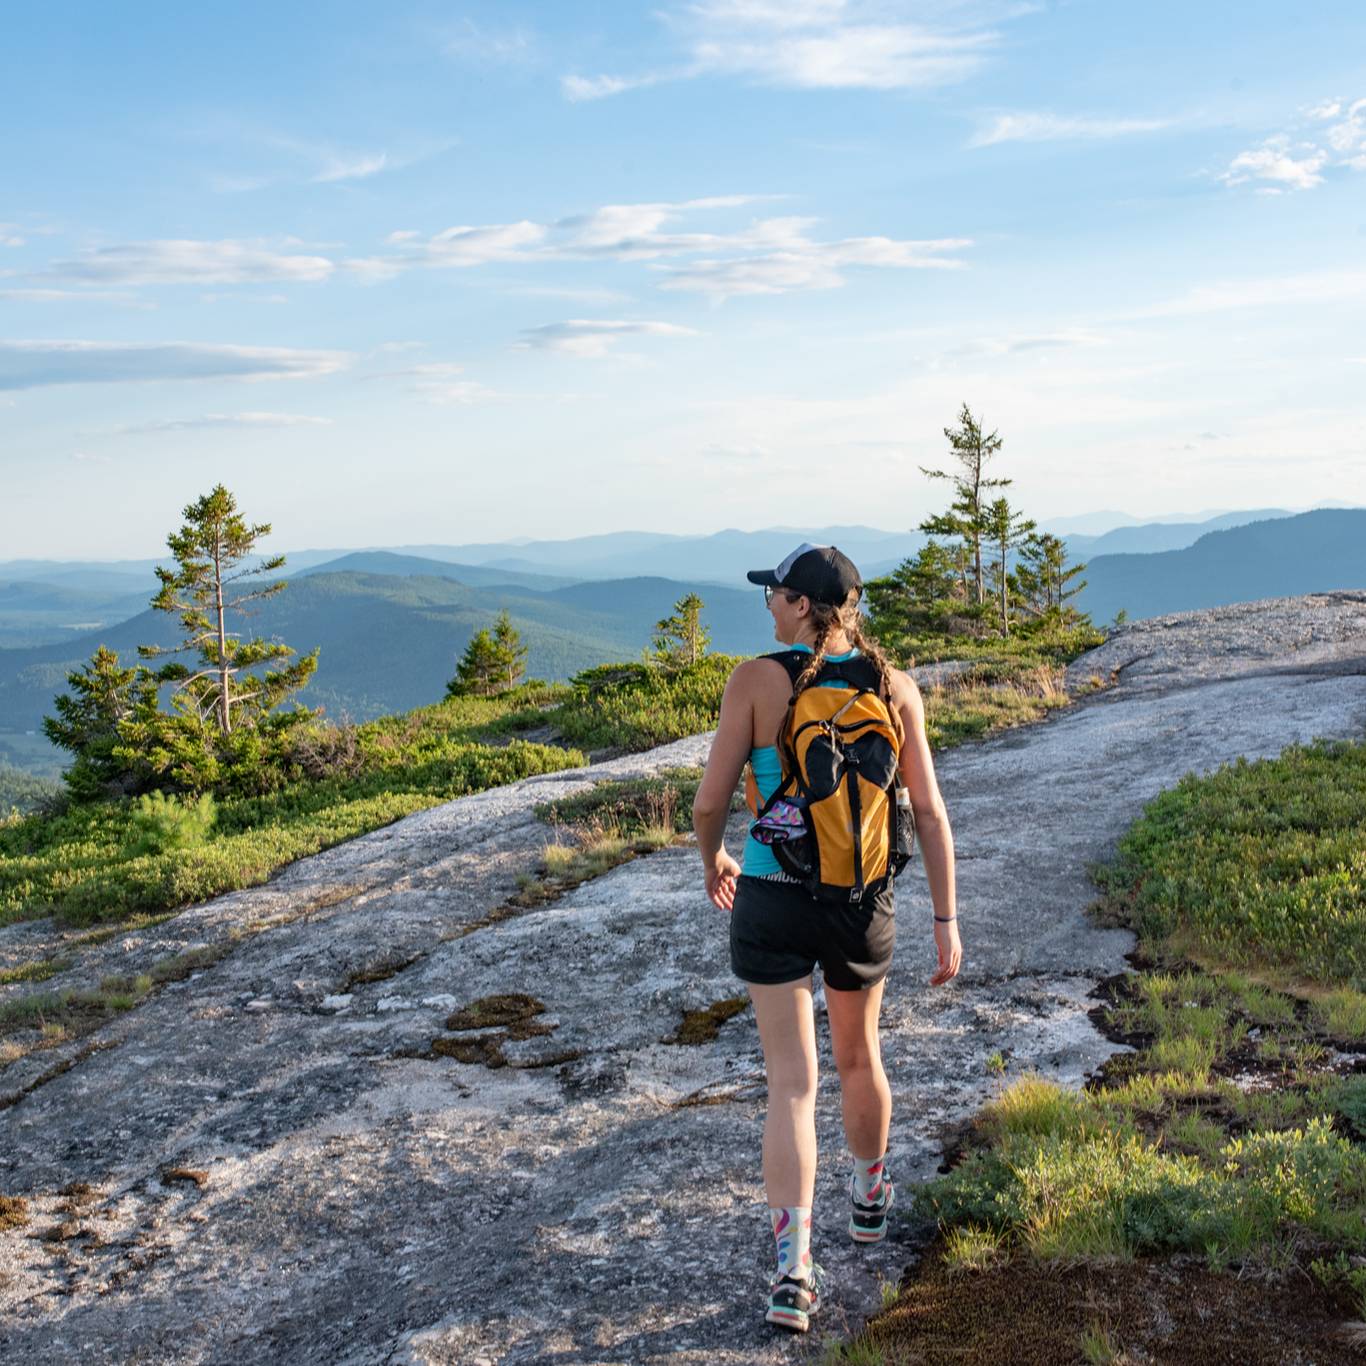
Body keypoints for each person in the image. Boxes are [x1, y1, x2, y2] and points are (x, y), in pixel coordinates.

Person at [690, 542, 961, 1334]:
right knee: (859, 1057)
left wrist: (715, 859)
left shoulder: (755, 681)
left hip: (772, 896)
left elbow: (710, 802)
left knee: (792, 1083)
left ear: (802, 607)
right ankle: (871, 1200)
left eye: (776, 593)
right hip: (860, 898)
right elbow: (932, 814)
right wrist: (945, 918)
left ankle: (794, 1272)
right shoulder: (896, 687)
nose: (769, 602)